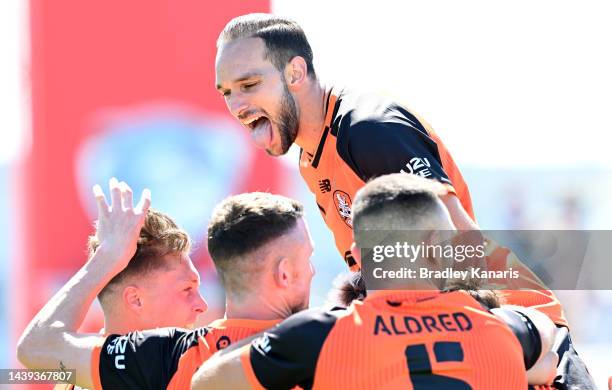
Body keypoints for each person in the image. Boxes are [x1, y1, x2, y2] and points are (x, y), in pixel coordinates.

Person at [192, 173, 559, 389]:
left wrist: (284, 336)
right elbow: (545, 338)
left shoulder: (318, 337)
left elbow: (207, 382)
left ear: (359, 254)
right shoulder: (507, 329)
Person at [215, 13, 477, 270]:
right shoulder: (310, 155)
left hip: (490, 304)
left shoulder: (369, 131)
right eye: (227, 92)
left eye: (249, 84)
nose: (236, 105)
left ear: (295, 73)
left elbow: (465, 246)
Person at [17, 180, 315, 389]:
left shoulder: (167, 359)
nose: (201, 305)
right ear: (135, 300)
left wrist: (106, 260)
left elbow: (36, 348)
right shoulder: (327, 341)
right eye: (187, 290)